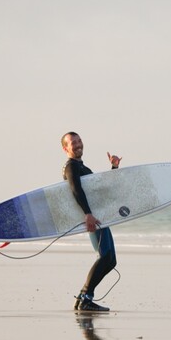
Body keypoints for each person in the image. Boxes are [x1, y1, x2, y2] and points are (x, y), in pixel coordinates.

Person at [61, 132, 121, 312]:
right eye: (73, 143)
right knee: (105, 256)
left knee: (110, 260)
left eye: (79, 141)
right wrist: (87, 214)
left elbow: (99, 192)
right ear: (65, 148)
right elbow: (75, 190)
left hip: (98, 217)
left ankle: (83, 297)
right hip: (91, 217)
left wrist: (114, 168)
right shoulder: (71, 166)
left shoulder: (81, 166)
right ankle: (85, 298)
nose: (78, 144)